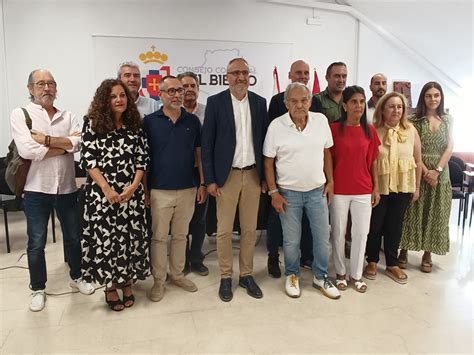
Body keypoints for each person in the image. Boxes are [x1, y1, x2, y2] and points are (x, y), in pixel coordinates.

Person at [10, 69, 94, 312]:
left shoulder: (68, 116)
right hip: (36, 189)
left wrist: (46, 140)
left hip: (67, 188)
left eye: (51, 84)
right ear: (30, 89)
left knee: (73, 237)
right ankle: (38, 288)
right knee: (36, 242)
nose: (47, 88)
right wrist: (64, 145)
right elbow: (27, 151)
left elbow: (80, 142)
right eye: (40, 84)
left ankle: (77, 277)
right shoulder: (21, 114)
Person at [263, 83, 340, 299]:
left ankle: (320, 277)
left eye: (304, 100)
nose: (300, 105)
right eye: (294, 101)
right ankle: (292, 275)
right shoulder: (276, 126)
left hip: (317, 192)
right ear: (286, 103)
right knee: (291, 240)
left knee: (322, 237)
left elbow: (327, 153)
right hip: (288, 194)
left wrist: (331, 181)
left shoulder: (321, 121)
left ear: (310, 101)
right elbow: (268, 161)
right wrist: (273, 192)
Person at [202, 57, 268, 302]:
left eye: (245, 72)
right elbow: (207, 145)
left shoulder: (260, 103)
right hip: (225, 177)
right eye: (235, 73)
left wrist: (265, 178)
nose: (241, 77)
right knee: (224, 231)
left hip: (252, 175)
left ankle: (247, 275)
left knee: (250, 230)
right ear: (227, 76)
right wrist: (210, 179)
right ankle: (226, 277)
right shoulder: (215, 102)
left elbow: (264, 144)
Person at [81, 79, 150, 311]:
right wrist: (107, 189)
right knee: (108, 241)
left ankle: (126, 282)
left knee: (129, 240)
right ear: (104, 100)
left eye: (122, 95)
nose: (119, 100)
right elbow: (89, 161)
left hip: (131, 195)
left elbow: (142, 158)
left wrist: (133, 187)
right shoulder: (92, 124)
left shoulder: (134, 124)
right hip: (103, 196)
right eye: (113, 96)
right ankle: (111, 286)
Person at [144, 76, 205, 302]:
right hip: (159, 190)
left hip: (188, 188)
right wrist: (144, 190)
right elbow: (144, 159)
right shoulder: (149, 121)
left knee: (181, 235)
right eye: (170, 91)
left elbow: (199, 155)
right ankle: (159, 280)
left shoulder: (192, 121)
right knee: (159, 237)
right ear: (160, 94)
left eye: (179, 90)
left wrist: (202, 183)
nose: (177, 94)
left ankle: (177, 274)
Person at [266, 60, 320, 278]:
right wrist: (270, 182)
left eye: (306, 72)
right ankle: (272, 257)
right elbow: (269, 140)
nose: (303, 76)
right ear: (289, 74)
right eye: (299, 72)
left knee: (306, 221)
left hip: (308, 176)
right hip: (281, 176)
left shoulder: (314, 101)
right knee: (276, 218)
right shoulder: (277, 100)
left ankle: (306, 256)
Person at [364, 92, 422, 284]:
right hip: (379, 187)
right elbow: (369, 160)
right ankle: (371, 260)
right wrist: (371, 187)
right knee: (375, 225)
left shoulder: (411, 130)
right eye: (391, 106)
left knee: (394, 227)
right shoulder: (374, 130)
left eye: (399, 107)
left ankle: (392, 264)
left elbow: (417, 160)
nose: (396, 110)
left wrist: (417, 187)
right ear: (383, 109)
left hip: (403, 186)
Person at [329, 85, 381, 293]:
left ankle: (356, 275)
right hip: (339, 190)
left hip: (363, 189)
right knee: (339, 232)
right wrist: (329, 184)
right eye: (353, 102)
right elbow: (328, 161)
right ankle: (340, 273)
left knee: (361, 233)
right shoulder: (333, 130)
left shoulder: (370, 131)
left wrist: (376, 188)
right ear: (344, 105)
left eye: (361, 101)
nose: (358, 105)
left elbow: (374, 162)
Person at [399, 82, 453, 273]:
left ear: (441, 97)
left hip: (441, 173)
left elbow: (449, 147)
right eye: (429, 95)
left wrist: (436, 171)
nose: (433, 99)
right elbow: (413, 149)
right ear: (423, 97)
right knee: (411, 212)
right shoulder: (414, 120)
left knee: (435, 213)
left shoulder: (447, 120)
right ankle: (403, 251)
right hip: (418, 168)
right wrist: (424, 170)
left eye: (436, 95)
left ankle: (427, 254)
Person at [177, 71, 209, 276]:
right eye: (184, 87)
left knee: (198, 219)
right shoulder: (171, 112)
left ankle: (196, 258)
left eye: (192, 86)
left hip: (201, 173)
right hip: (178, 173)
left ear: (198, 89)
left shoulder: (208, 111)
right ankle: (181, 259)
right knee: (181, 220)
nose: (189, 90)